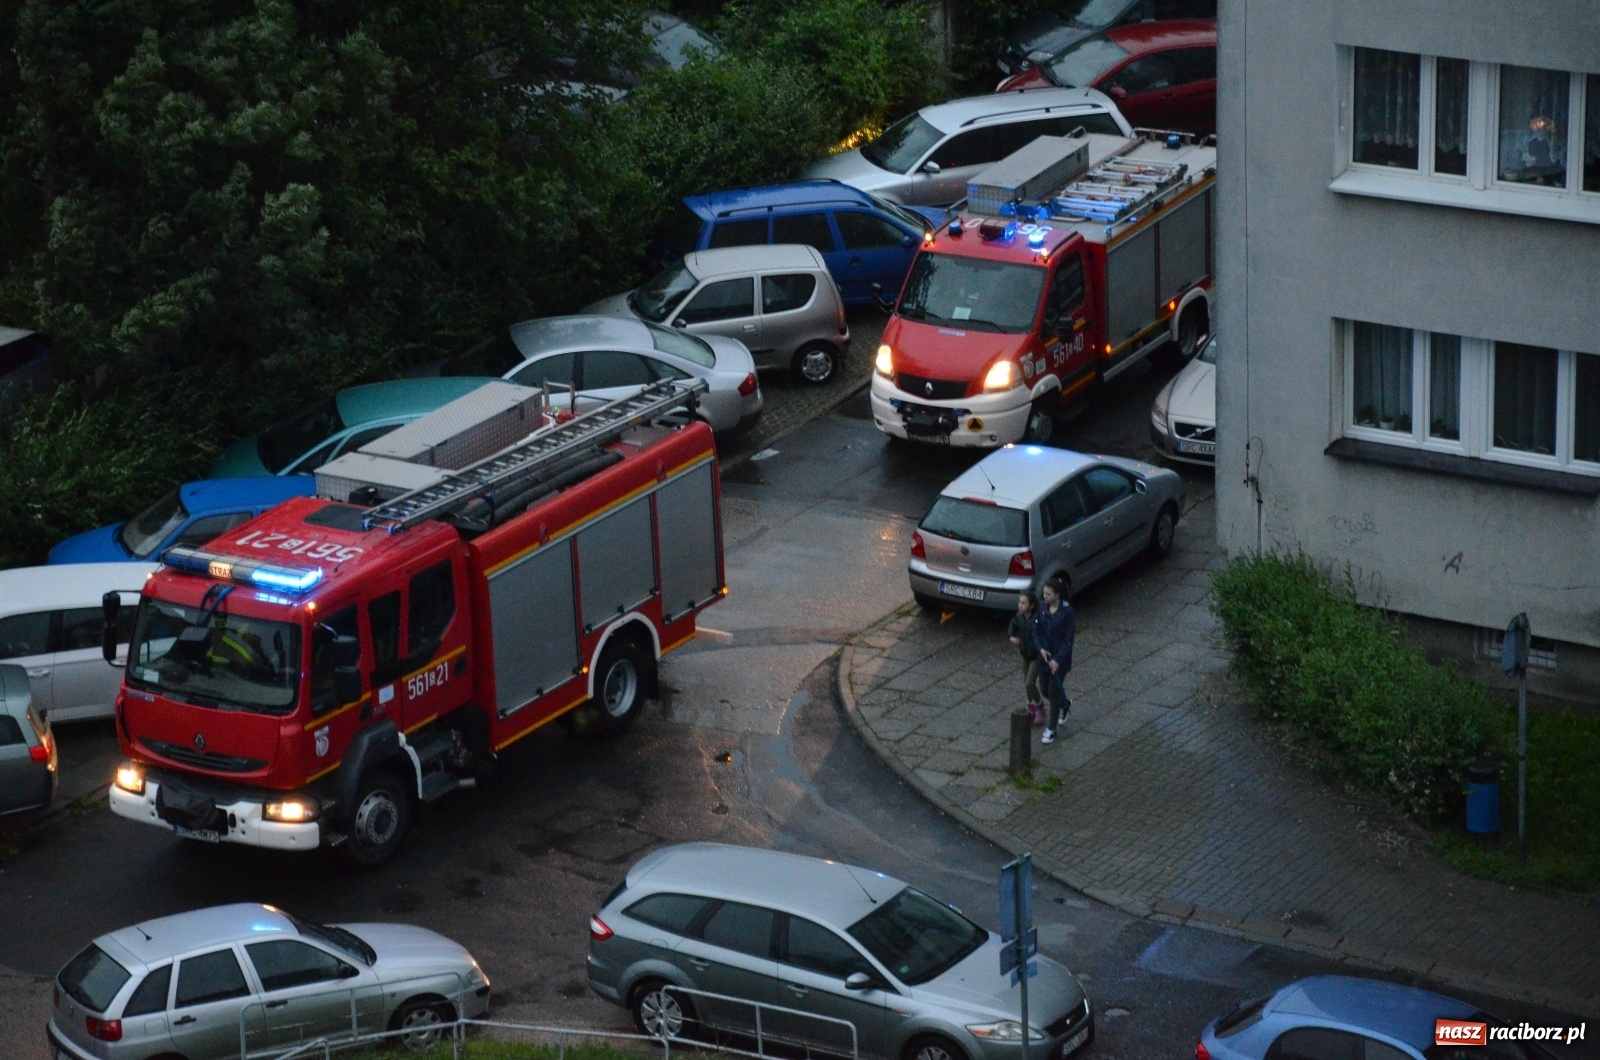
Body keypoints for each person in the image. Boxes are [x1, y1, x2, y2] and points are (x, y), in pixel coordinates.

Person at [1031, 579, 1076, 744]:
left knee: (1054, 691)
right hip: (1044, 658)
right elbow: (1036, 630)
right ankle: (1065, 704)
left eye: (1048, 594)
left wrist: (1057, 660)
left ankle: (1051, 729)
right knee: (1044, 690)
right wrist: (1041, 649)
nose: (1045, 596)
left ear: (1057, 594)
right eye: (1044, 593)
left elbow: (1068, 639)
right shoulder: (1042, 608)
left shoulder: (1067, 612)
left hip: (1059, 661)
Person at [1007, 591, 1045, 725]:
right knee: (1026, 683)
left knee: (1030, 682)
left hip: (1036, 655)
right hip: (1025, 653)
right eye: (1019, 602)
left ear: (1032, 605)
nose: (1020, 606)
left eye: (1024, 603)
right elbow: (1012, 625)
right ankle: (1032, 707)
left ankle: (1039, 706)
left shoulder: (1037, 619)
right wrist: (1012, 635)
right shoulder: (1020, 616)